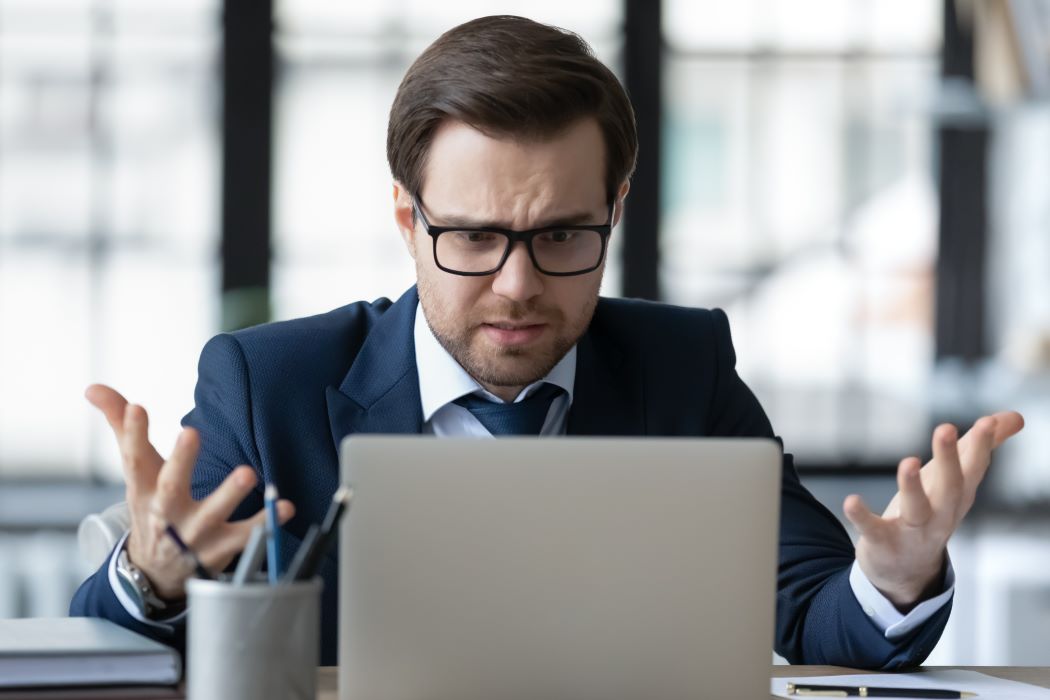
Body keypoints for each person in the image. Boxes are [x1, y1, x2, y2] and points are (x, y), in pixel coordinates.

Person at [70, 15, 1024, 669]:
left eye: (564, 235)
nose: (519, 285)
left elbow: (818, 620)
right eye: (475, 237)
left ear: (614, 211)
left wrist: (893, 583)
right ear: (408, 219)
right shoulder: (267, 384)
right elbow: (109, 649)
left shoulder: (680, 370)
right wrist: (149, 582)